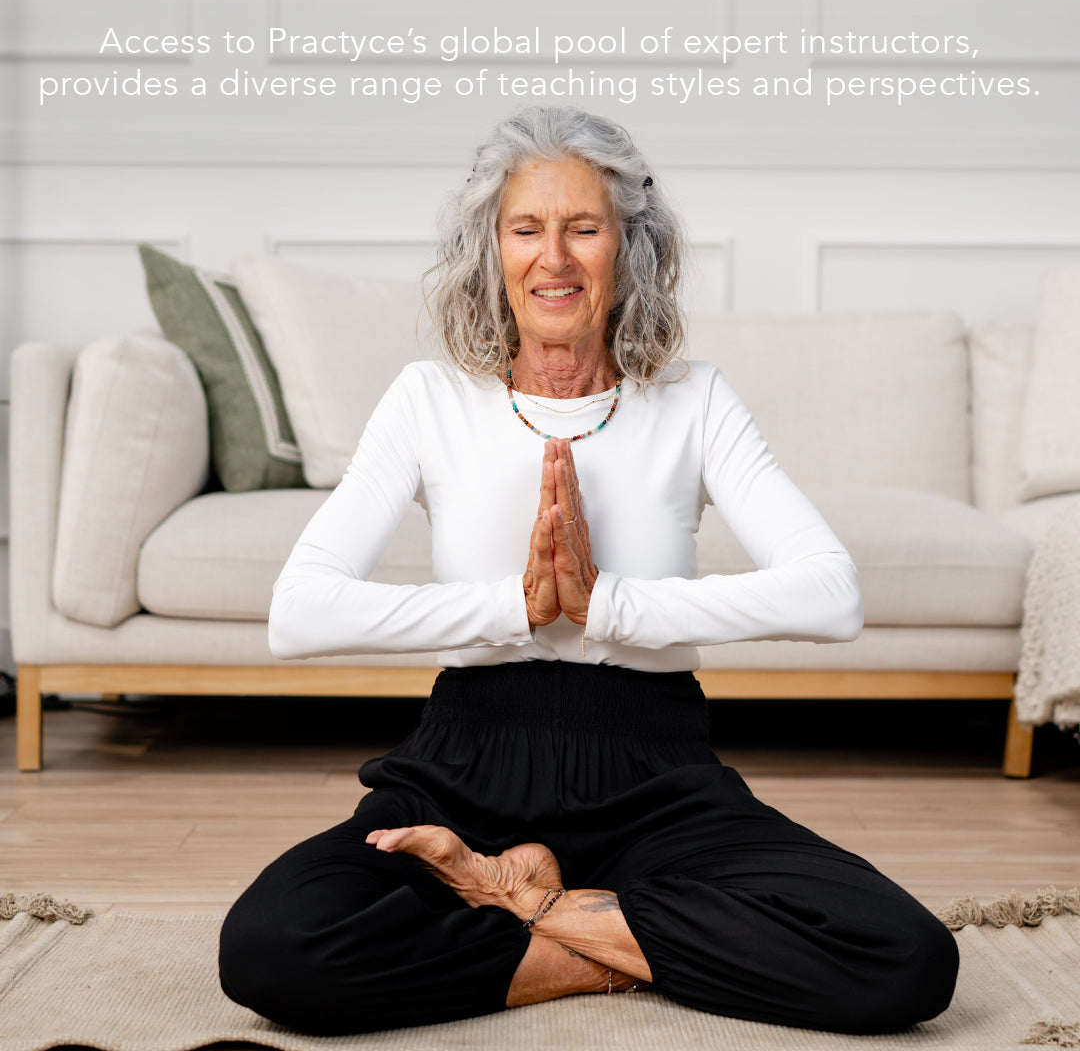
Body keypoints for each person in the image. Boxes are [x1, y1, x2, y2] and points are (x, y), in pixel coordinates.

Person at [218, 106, 959, 1036]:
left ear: (629, 247)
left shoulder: (692, 400)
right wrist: (515, 609)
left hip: (657, 778)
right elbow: (299, 612)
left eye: (583, 228)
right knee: (270, 947)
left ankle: (521, 901)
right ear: (492, 249)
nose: (554, 258)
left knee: (906, 958)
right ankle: (623, 939)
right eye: (526, 229)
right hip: (464, 769)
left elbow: (831, 593)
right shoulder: (429, 399)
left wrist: (609, 606)